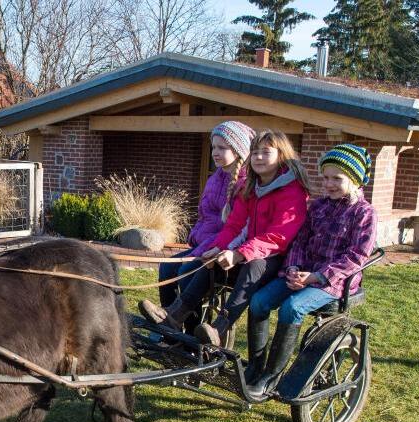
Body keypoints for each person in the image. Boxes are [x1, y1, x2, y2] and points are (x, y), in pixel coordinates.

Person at [140, 130, 310, 354]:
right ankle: (175, 316)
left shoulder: (292, 191)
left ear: (281, 156)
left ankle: (220, 328)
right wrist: (217, 248)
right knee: (211, 261)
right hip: (249, 249)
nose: (258, 157)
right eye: (255, 152)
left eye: (265, 153)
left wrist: (240, 253)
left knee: (253, 265)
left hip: (279, 257)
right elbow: (234, 226)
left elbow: (279, 236)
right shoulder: (250, 186)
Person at [245, 144, 377, 399]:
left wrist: (316, 276)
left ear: (355, 179)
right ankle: (255, 366)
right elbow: (299, 241)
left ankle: (271, 377)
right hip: (301, 274)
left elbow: (357, 255)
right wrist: (294, 268)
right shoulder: (317, 206)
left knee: (291, 308)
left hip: (333, 282)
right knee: (259, 301)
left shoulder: (364, 213)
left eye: (337, 178)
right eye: (325, 177)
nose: (329, 184)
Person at [152, 121, 254, 332]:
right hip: (204, 243)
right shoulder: (215, 178)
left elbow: (232, 228)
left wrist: (201, 250)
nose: (215, 152)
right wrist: (195, 235)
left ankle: (190, 333)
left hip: (224, 247)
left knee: (187, 271)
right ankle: (166, 325)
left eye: (222, 148)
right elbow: (206, 215)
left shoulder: (244, 183)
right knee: (167, 268)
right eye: (214, 147)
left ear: (239, 150)